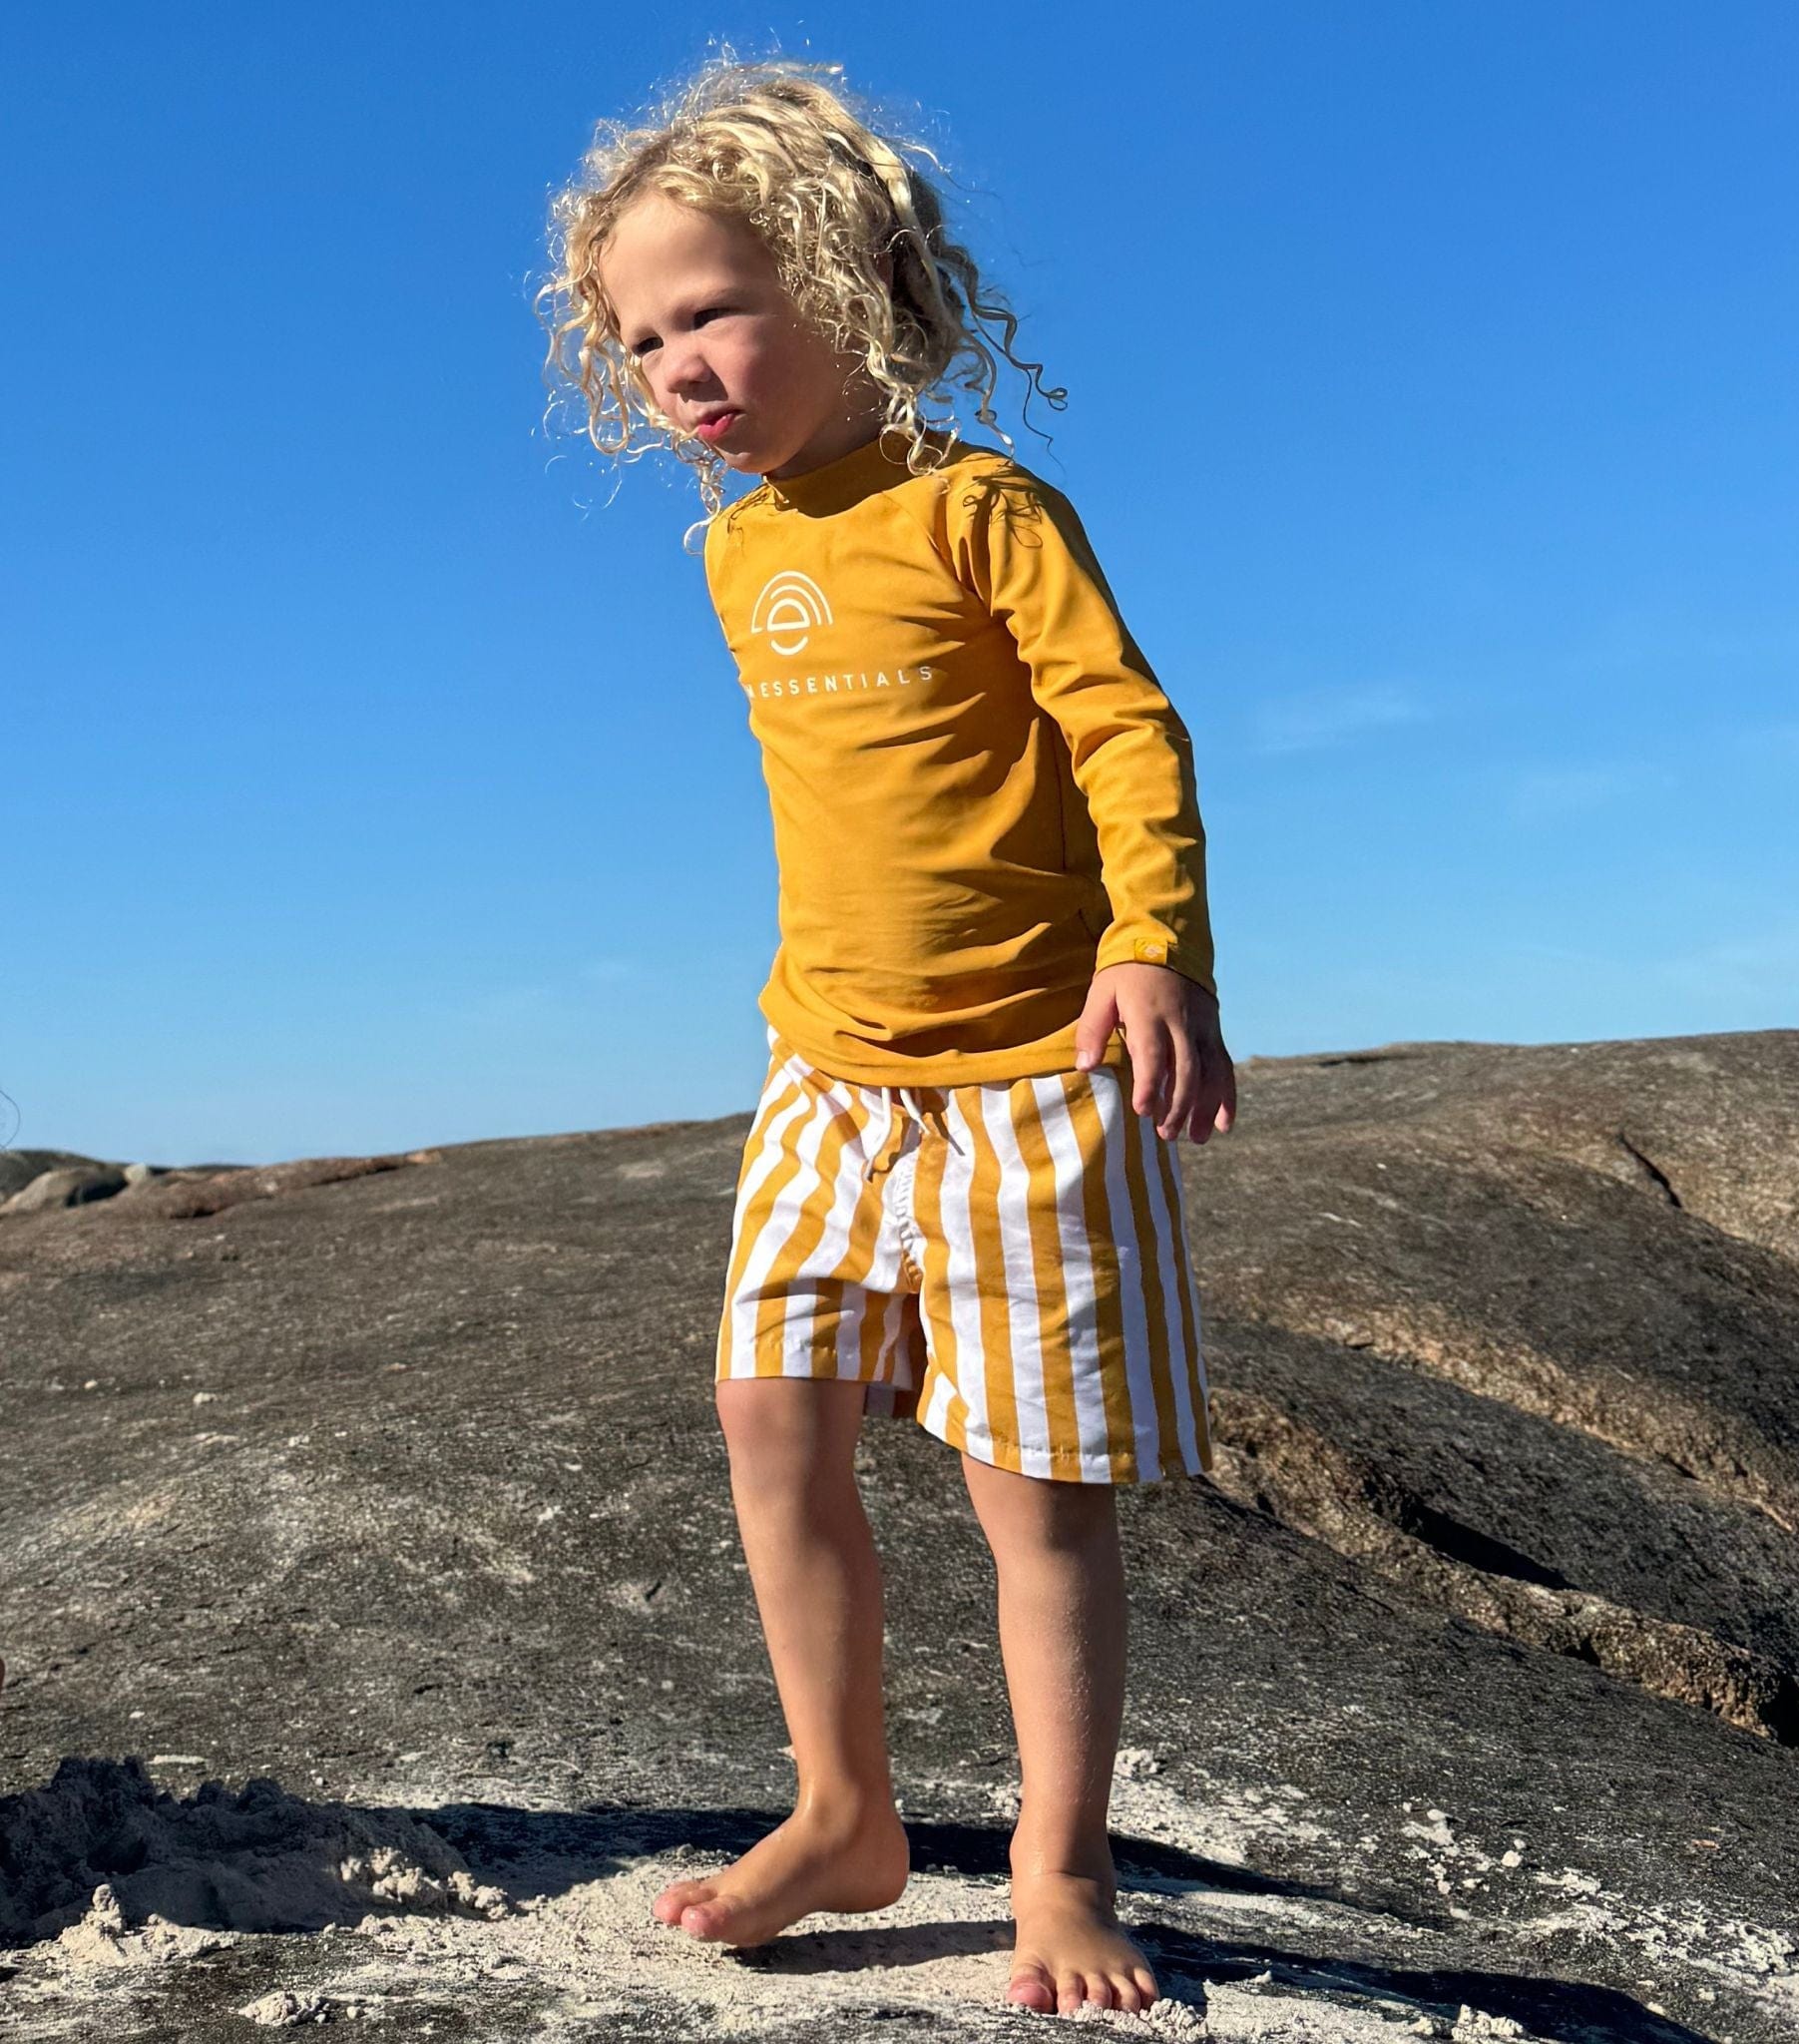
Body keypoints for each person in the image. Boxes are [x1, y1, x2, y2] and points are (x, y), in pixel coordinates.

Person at [537, 52, 1236, 2020]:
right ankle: (845, 1810)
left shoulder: (981, 508)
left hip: (1027, 1081)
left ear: (846, 281)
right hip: (825, 1073)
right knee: (770, 1412)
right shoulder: (736, 548)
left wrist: (1154, 947)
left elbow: (1123, 726)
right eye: (640, 336)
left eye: (712, 311)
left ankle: (1059, 1862)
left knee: (1034, 1491)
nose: (677, 363)